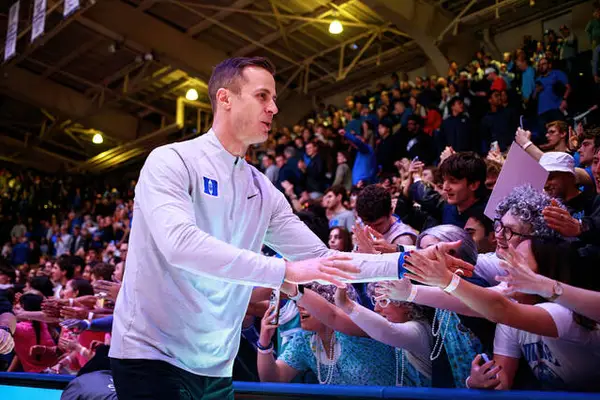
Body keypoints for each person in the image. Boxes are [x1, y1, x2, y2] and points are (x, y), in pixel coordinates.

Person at [109, 56, 471, 399]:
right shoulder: (171, 160)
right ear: (225, 99)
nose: (274, 108)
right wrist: (284, 269)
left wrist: (408, 261)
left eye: (274, 98)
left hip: (215, 364)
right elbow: (180, 245)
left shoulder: (262, 190)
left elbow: (325, 260)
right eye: (262, 96)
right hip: (151, 354)